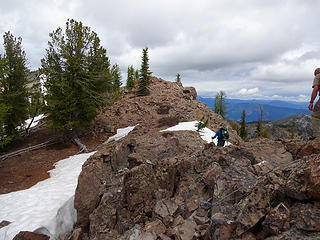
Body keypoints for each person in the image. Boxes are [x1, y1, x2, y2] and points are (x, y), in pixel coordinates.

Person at [309, 68, 320, 139]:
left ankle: (318, 138)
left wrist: (311, 102)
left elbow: (315, 89)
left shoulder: (318, 76)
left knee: (315, 116)